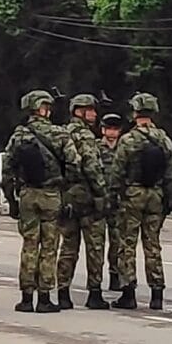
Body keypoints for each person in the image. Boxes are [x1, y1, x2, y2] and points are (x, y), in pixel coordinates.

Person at [2, 90, 79, 313]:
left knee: (29, 245)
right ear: (46, 109)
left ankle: (26, 297)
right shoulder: (60, 134)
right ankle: (44, 297)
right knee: (49, 247)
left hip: (27, 194)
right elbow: (75, 164)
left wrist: (11, 199)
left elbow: (7, 171)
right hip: (51, 194)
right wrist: (65, 189)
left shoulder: (19, 136)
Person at [109, 93, 172, 310]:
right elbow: (170, 171)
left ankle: (128, 293)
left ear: (135, 112)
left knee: (127, 243)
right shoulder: (164, 140)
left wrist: (114, 195)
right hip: (155, 195)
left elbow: (117, 172)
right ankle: (157, 293)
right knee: (152, 244)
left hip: (133, 194)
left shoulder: (128, 139)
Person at [59, 93, 109, 310]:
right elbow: (91, 166)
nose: (95, 114)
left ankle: (63, 291)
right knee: (95, 246)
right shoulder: (85, 136)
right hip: (87, 198)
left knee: (68, 246)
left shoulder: (60, 133)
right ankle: (94, 293)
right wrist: (101, 193)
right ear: (79, 111)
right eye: (90, 110)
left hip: (67, 196)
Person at [99, 113, 124, 291]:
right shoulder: (95, 148)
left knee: (117, 242)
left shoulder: (124, 149)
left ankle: (115, 275)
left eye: (115, 129)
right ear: (103, 130)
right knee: (97, 243)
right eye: (109, 129)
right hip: (100, 201)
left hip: (117, 202)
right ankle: (95, 278)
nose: (112, 133)